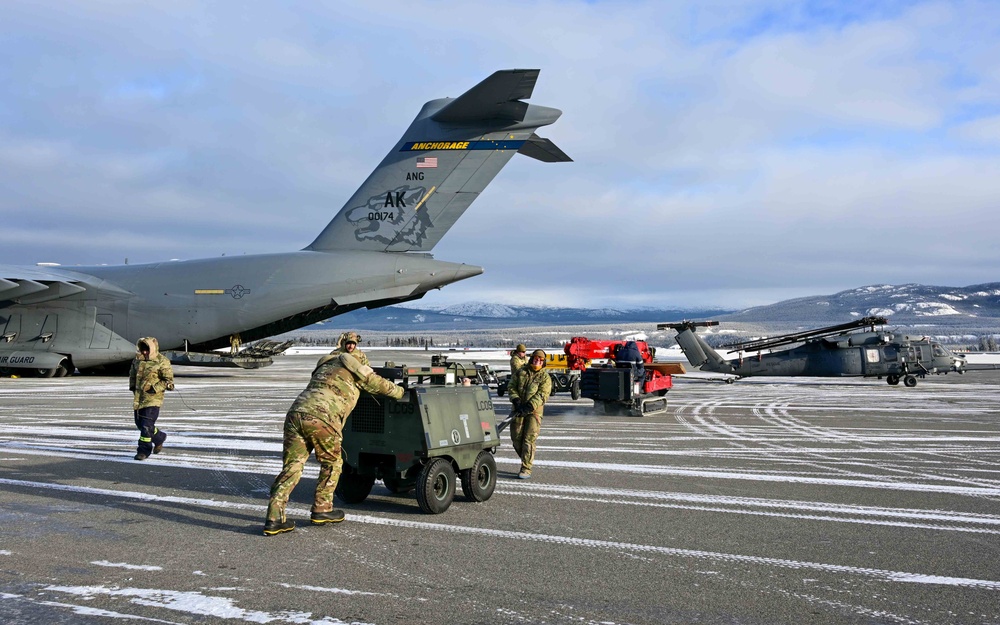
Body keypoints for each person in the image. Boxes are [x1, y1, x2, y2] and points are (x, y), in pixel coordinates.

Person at [263, 351, 405, 536]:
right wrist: (400, 391)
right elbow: (379, 384)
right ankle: (322, 509)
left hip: (295, 413)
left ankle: (274, 519)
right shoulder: (355, 369)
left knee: (292, 467)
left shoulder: (324, 367)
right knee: (332, 463)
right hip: (323, 416)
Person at [506, 349, 552, 480]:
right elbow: (511, 386)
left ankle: (526, 467)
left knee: (529, 439)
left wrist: (530, 406)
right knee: (516, 437)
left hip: (534, 412)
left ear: (543, 362)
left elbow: (543, 394)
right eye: (535, 358)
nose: (537, 361)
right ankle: (527, 458)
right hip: (518, 409)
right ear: (531, 359)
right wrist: (516, 399)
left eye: (540, 360)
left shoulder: (545, 377)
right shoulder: (521, 372)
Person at [128, 337, 174, 461]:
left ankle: (143, 451)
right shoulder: (137, 360)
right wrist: (132, 387)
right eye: (142, 349)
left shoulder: (162, 361)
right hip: (139, 398)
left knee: (146, 426)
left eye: (147, 350)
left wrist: (154, 388)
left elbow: (168, 381)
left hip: (153, 399)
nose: (144, 352)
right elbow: (132, 374)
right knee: (140, 424)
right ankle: (159, 437)